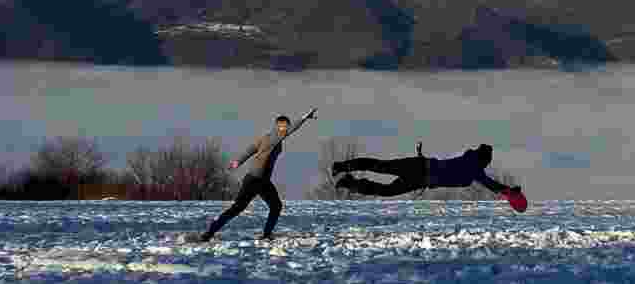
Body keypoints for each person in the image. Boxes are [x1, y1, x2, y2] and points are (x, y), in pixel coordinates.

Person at [197, 108, 317, 242]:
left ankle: (266, 235)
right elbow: (291, 130)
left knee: (276, 206)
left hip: (262, 180)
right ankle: (208, 233)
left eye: (286, 126)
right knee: (237, 208)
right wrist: (304, 118)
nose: (284, 128)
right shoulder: (275, 136)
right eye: (282, 126)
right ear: (277, 126)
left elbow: (250, 149)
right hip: (255, 179)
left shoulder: (267, 137)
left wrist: (238, 162)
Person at [332, 142, 522, 200]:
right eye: (487, 162)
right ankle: (345, 173)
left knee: (382, 174)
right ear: (484, 159)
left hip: (421, 174)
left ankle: (347, 177)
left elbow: (489, 183)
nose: (487, 165)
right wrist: (510, 192)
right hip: (420, 170)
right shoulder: (474, 167)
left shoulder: (470, 162)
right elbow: (491, 184)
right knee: (382, 175)